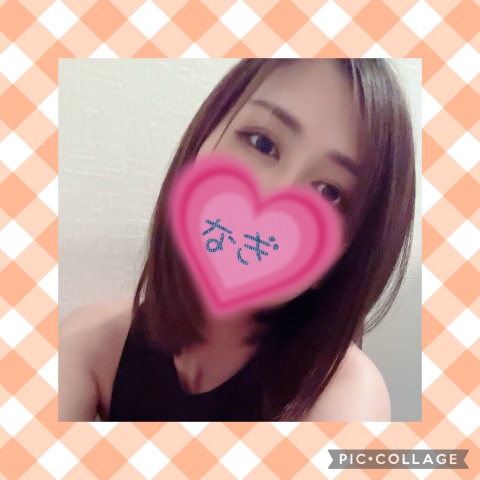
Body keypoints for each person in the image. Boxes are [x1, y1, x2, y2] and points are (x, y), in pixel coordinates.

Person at [59, 59, 416, 422]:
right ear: (202, 143)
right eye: (262, 143)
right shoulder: (93, 342)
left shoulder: (347, 397)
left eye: (329, 192)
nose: (273, 200)